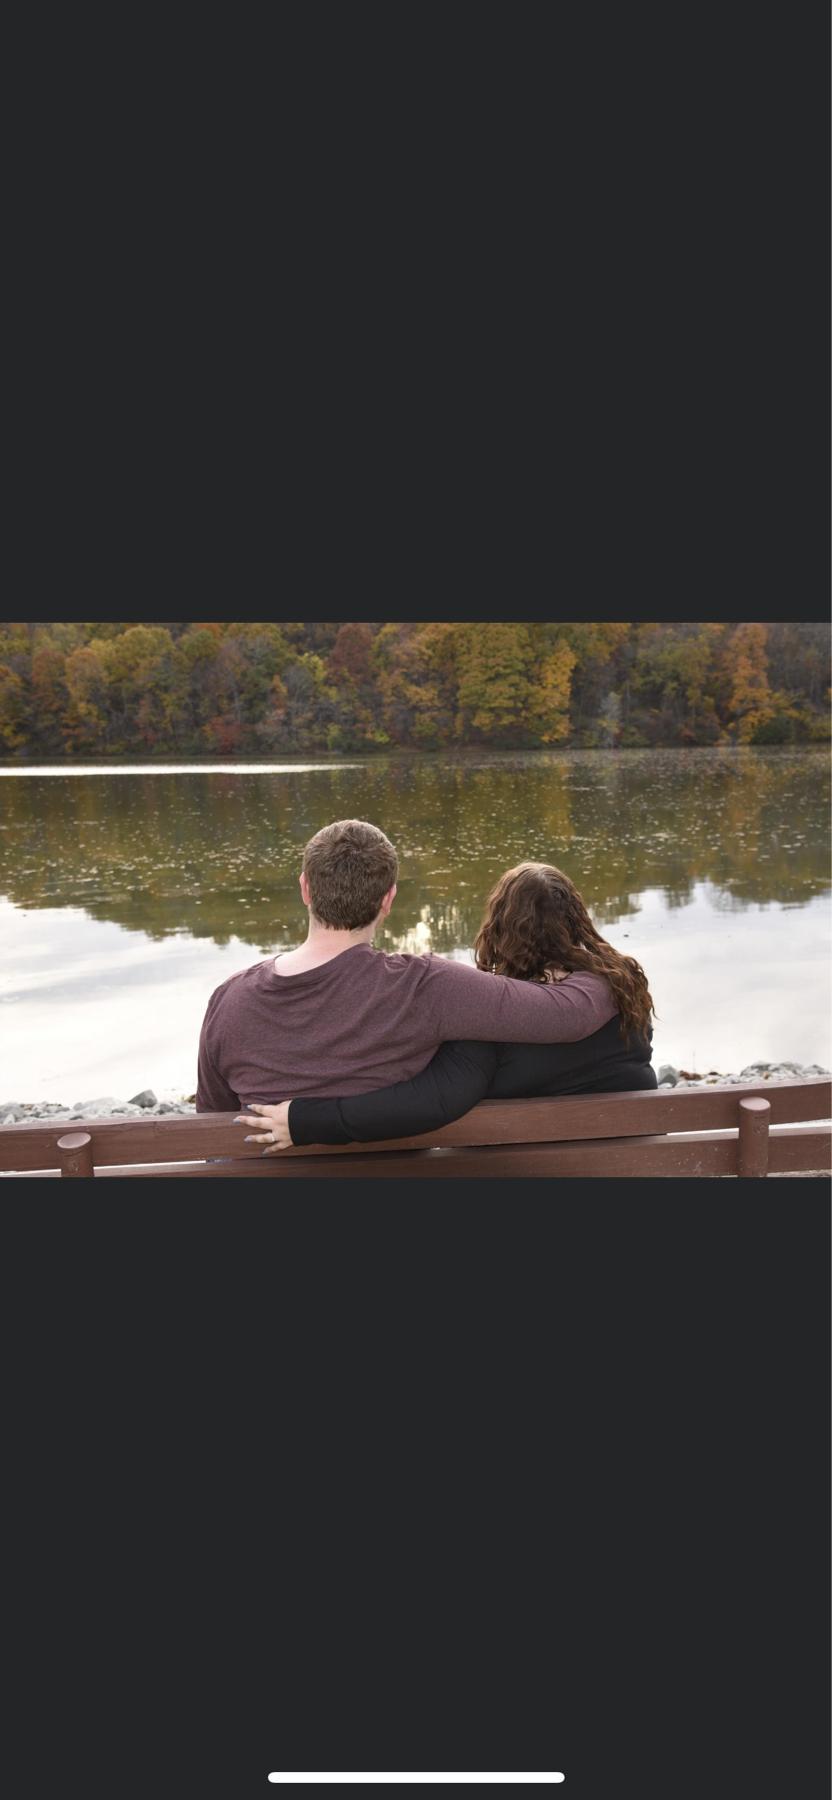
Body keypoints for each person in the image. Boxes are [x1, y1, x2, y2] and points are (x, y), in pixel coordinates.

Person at [231, 852, 656, 1156]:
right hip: (639, 1157)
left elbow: (435, 1100)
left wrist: (306, 1121)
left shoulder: (493, 1014)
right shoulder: (623, 987)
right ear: (578, 918)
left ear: (499, 928)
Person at [197, 820, 620, 1121]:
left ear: (305, 888)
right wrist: (605, 968)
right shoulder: (426, 986)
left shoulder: (229, 999)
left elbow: (211, 1119)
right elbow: (571, 1014)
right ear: (388, 899)